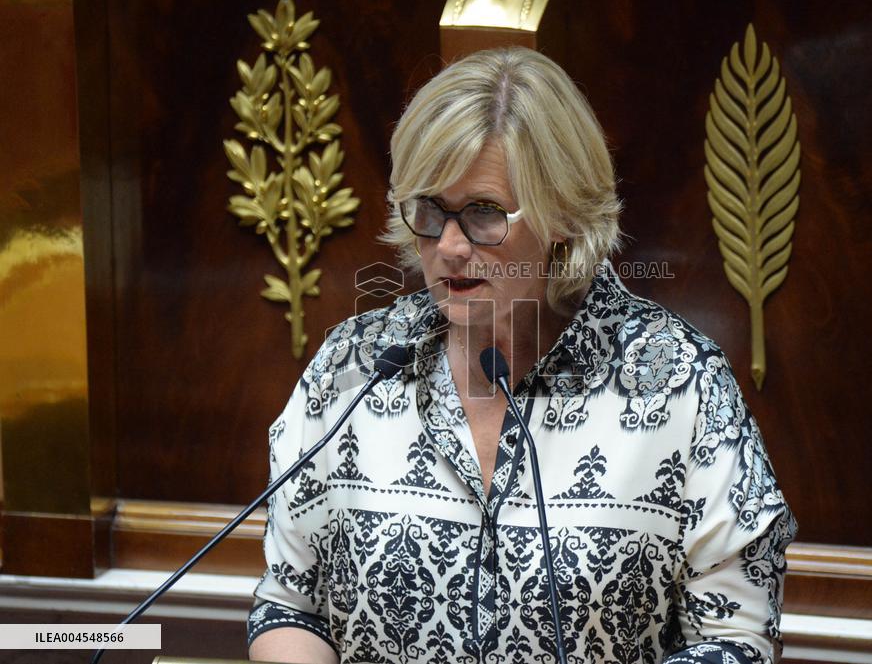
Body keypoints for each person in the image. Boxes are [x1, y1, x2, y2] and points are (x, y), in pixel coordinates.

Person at [247, 47, 796, 664]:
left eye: (484, 214)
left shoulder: (679, 383)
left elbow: (736, 639)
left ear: (561, 214)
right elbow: (289, 604)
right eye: (430, 210)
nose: (450, 246)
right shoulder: (353, 365)